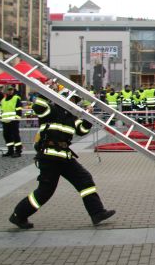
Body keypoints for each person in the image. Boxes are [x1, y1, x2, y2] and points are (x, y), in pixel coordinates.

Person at [9, 88, 116, 229]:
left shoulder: (72, 117)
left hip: (65, 157)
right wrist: (45, 90)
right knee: (45, 191)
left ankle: (97, 213)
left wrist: (88, 117)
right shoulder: (51, 110)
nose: (75, 103)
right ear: (63, 98)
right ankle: (19, 215)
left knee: (84, 180)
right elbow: (38, 105)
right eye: (73, 100)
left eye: (76, 101)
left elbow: (82, 130)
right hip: (49, 156)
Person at [0, 85, 23, 158]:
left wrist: (17, 119)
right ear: (6, 91)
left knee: (15, 136)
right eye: (9, 90)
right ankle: (10, 151)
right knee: (6, 136)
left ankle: (18, 151)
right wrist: (2, 119)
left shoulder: (16, 98)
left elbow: (19, 110)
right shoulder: (3, 100)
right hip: (5, 121)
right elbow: (2, 111)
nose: (10, 91)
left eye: (11, 90)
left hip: (13, 121)